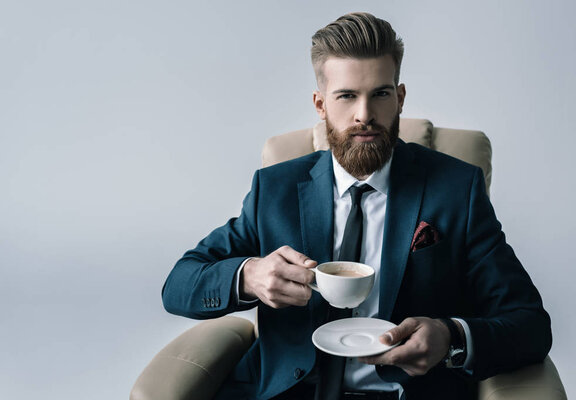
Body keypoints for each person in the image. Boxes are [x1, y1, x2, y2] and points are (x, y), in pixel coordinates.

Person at [162, 12, 551, 400]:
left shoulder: (456, 190)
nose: (364, 115)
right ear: (320, 104)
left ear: (399, 99)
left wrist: (450, 336)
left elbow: (530, 324)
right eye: (346, 95)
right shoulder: (275, 188)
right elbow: (179, 285)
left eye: (380, 94)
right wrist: (249, 276)